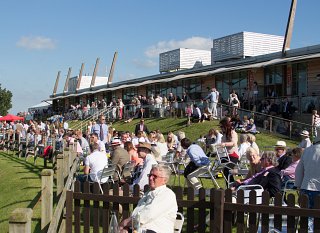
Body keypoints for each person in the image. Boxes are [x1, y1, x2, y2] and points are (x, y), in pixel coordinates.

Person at [119, 164, 178, 233]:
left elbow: (147, 215)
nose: (150, 178)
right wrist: (128, 227)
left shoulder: (167, 194)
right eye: (150, 175)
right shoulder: (149, 193)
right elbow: (136, 213)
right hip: (139, 229)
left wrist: (125, 223)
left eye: (154, 176)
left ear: (164, 180)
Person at [295, 135, 320, 231]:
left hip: (306, 187)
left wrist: (298, 185)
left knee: (307, 217)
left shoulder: (308, 151)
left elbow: (299, 170)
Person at [219, 117, 239, 185]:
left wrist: (224, 144)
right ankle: (230, 186)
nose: (221, 128)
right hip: (225, 156)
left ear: (226, 126)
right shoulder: (223, 135)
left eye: (222, 126)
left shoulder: (233, 133)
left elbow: (234, 143)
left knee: (227, 170)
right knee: (224, 171)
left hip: (233, 156)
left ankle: (232, 186)